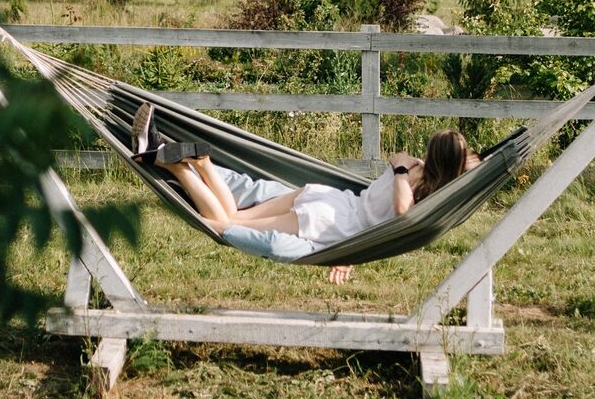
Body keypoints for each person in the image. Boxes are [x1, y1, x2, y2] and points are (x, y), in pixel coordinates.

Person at [131, 104, 479, 281]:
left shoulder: (409, 164)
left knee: (235, 217)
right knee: (224, 224)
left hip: (329, 200)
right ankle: (183, 165)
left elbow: (400, 166)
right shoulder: (425, 193)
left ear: (432, 153)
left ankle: (198, 163)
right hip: (332, 220)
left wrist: (404, 170)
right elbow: (403, 210)